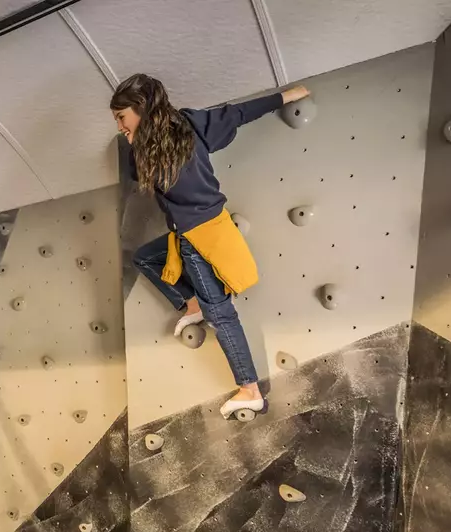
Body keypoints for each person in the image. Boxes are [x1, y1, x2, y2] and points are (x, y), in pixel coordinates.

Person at [112, 74, 310, 418]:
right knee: (145, 258)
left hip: (198, 240)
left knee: (222, 314)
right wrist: (134, 140)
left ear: (143, 109)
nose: (119, 126)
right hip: (193, 233)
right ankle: (191, 304)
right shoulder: (155, 143)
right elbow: (135, 171)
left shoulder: (188, 125)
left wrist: (289, 95)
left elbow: (239, 113)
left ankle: (249, 389)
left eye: (122, 117)